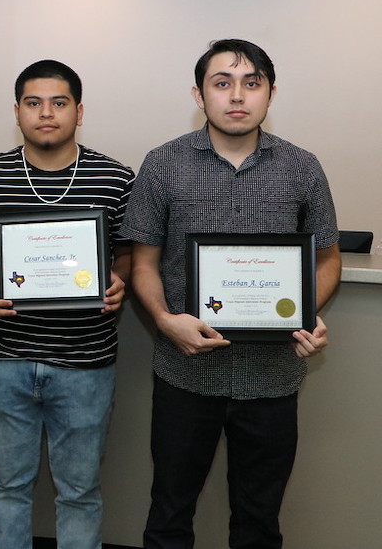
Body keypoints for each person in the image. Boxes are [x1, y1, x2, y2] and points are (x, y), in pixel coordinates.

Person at [120, 39, 341, 549]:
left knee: (259, 523)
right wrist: (162, 319)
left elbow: (327, 258)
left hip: (273, 378)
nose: (236, 96)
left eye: (251, 83)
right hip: (184, 374)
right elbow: (144, 262)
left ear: (270, 93)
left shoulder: (302, 167)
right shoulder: (162, 164)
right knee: (169, 516)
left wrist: (309, 311)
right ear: (199, 94)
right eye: (222, 83)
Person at [0, 59, 135, 549]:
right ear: (17, 111)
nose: (46, 113)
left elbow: (131, 254)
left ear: (79, 111)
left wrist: (120, 281)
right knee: (9, 487)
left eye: (59, 102)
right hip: (4, 360)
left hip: (86, 363)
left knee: (79, 491)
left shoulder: (115, 178)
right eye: (33, 103)